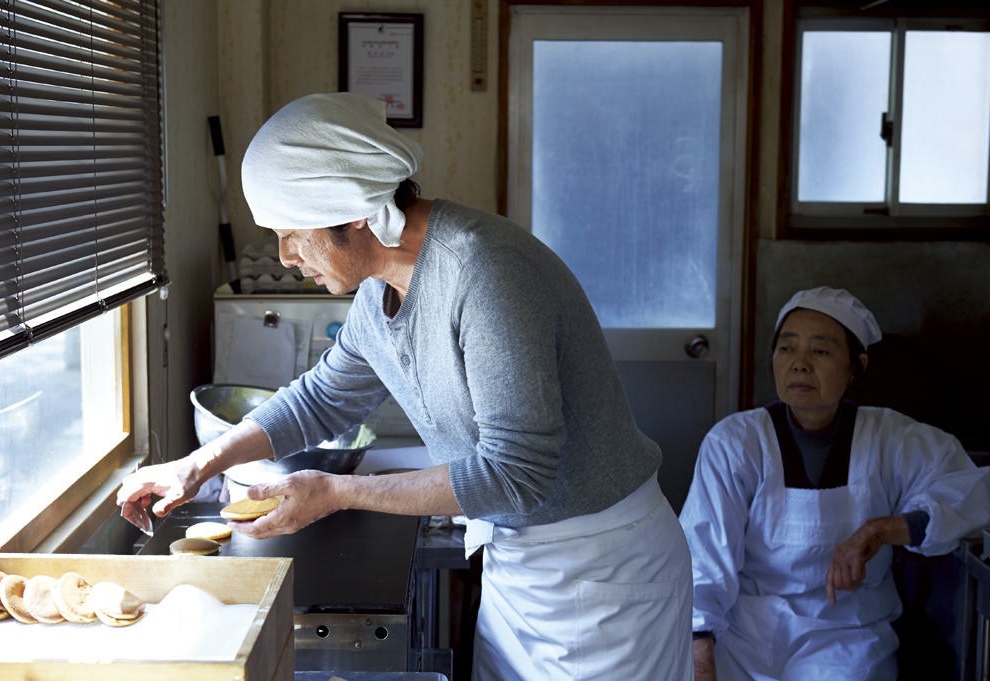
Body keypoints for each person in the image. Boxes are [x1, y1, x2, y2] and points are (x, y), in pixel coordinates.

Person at [117, 93, 694, 680]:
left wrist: (337, 492)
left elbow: (516, 473)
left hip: (603, 570)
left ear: (352, 209)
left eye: (291, 233)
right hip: (520, 564)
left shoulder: (485, 273)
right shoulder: (379, 289)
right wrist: (198, 465)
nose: (285, 256)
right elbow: (321, 399)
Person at [679, 286, 990, 681]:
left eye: (820, 351)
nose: (799, 364)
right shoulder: (734, 443)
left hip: (847, 637)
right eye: (786, 348)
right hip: (745, 635)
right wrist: (700, 651)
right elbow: (702, 557)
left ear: (855, 368)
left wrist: (883, 529)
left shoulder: (892, 439)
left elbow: (974, 493)